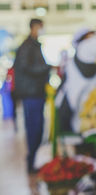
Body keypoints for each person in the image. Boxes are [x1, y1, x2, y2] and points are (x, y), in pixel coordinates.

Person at [55, 29, 96, 133]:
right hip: (76, 112)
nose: (95, 38)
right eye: (92, 36)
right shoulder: (84, 48)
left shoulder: (81, 57)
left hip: (78, 111)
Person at [14, 18, 51, 173]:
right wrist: (46, 68)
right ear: (34, 27)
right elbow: (26, 67)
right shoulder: (27, 46)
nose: (42, 29)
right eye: (41, 27)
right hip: (31, 93)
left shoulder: (34, 45)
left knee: (39, 128)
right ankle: (31, 162)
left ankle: (34, 160)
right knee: (34, 128)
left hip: (36, 92)